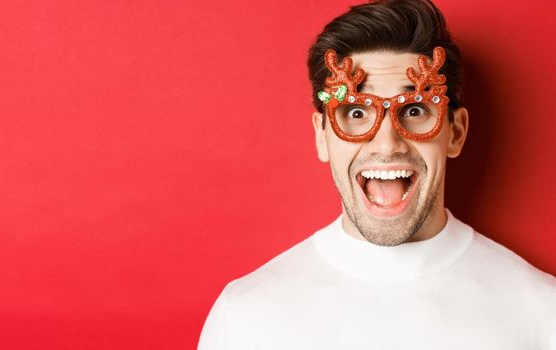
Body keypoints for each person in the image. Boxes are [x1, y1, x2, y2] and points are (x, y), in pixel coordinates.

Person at [198, 0, 556, 349]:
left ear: (456, 133)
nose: (387, 144)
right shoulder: (245, 317)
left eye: (415, 109)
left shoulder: (541, 313)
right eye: (355, 113)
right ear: (322, 136)